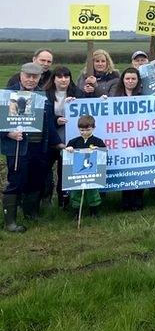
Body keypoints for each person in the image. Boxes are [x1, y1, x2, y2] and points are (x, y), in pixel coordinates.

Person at [3, 63, 61, 233]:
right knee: (16, 181)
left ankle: (32, 213)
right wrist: (8, 134)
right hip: (18, 146)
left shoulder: (42, 96)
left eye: (34, 77)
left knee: (36, 180)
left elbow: (49, 123)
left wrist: (58, 143)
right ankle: (10, 222)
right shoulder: (8, 95)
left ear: (39, 78)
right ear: (21, 75)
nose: (31, 80)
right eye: (27, 76)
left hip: (39, 147)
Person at [108, 67, 148, 210]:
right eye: (127, 78)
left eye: (133, 79)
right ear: (123, 80)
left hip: (141, 140)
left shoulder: (145, 96)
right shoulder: (115, 97)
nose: (130, 81)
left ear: (138, 81)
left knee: (139, 169)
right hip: (122, 142)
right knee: (126, 170)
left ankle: (138, 200)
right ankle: (125, 201)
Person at [44, 66, 84, 207]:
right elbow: (43, 115)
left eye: (66, 77)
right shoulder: (45, 93)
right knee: (44, 170)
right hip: (49, 138)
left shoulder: (77, 92)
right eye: (60, 77)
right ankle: (44, 200)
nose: (63, 80)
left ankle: (64, 201)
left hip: (68, 138)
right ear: (53, 79)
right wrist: (56, 119)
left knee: (64, 170)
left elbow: (85, 111)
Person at [63, 115, 105, 216]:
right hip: (77, 174)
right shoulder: (73, 142)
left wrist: (98, 151)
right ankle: (76, 214)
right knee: (76, 193)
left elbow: (104, 156)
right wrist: (68, 150)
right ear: (78, 128)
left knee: (93, 193)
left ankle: (94, 213)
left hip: (92, 173)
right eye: (82, 130)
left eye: (87, 130)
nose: (84, 132)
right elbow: (64, 157)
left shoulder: (98, 142)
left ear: (93, 128)